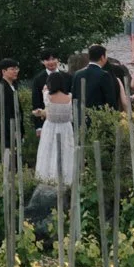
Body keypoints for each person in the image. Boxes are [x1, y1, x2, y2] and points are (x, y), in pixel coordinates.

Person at [35, 55, 77, 185]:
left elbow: (47, 109)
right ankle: (66, 179)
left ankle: (47, 177)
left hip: (51, 126)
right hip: (66, 127)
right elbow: (71, 115)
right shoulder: (69, 97)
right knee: (66, 152)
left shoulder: (47, 95)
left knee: (48, 151)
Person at [79, 44, 124, 117]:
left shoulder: (77, 74)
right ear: (102, 57)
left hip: (82, 117)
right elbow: (110, 100)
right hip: (99, 119)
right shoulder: (104, 75)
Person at [0, 59, 25, 158]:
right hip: (8, 130)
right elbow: (5, 112)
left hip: (16, 127)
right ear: (4, 71)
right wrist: (13, 130)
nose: (16, 71)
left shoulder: (13, 86)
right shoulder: (2, 87)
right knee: (10, 158)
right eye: (12, 69)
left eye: (17, 69)